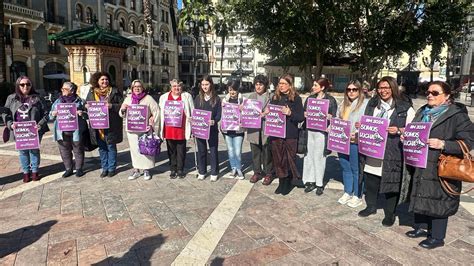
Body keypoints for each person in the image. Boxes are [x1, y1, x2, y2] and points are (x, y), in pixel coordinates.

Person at [403, 81, 473, 249]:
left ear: (447, 96)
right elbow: (414, 131)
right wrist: (407, 137)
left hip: (441, 165)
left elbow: (469, 141)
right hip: (421, 161)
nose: (429, 95)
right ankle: (421, 226)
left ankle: (437, 236)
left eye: (435, 93)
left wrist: (443, 144)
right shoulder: (422, 112)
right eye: (428, 92)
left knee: (439, 198)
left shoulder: (457, 115)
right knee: (421, 192)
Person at [358, 76, 415, 226]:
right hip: (372, 151)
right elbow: (368, 122)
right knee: (371, 180)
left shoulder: (405, 108)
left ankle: (390, 214)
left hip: (392, 152)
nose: (383, 91)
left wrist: (399, 130)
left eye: (387, 87)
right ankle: (371, 206)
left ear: (393, 88)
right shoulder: (372, 105)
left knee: (392, 184)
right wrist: (361, 126)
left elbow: (413, 130)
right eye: (381, 88)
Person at [3, 76, 49, 182]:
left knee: (34, 151)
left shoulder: (37, 97)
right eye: (22, 84)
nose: (25, 87)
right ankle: (26, 173)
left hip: (34, 129)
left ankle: (35, 172)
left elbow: (46, 113)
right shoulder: (11, 98)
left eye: (28, 84)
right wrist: (10, 124)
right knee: (23, 152)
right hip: (19, 130)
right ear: (18, 85)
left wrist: (40, 124)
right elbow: (5, 113)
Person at [266, 74, 304, 195]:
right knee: (278, 160)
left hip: (290, 134)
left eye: (284, 84)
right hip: (276, 134)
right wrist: (268, 112)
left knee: (288, 160)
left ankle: (288, 182)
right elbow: (271, 113)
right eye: (280, 83)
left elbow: (300, 117)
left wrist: (290, 113)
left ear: (290, 85)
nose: (281, 86)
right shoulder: (275, 97)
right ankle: (281, 182)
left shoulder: (296, 98)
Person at [335, 80, 369, 207]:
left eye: (354, 89)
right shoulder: (343, 103)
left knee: (356, 168)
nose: (351, 92)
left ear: (360, 91)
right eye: (349, 89)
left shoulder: (365, 104)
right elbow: (338, 118)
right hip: (342, 140)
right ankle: (348, 191)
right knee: (345, 167)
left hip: (356, 141)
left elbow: (370, 122)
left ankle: (357, 194)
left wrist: (360, 130)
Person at [302, 78, 337, 195]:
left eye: (316, 85)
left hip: (322, 132)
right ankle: (310, 181)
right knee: (309, 156)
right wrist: (305, 114)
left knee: (319, 157)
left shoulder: (330, 100)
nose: (313, 87)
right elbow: (304, 112)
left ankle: (319, 183)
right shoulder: (310, 99)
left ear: (322, 87)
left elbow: (335, 117)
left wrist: (330, 118)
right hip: (310, 131)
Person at [85, 72, 123, 178]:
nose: (104, 81)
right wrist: (86, 106)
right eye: (102, 79)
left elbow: (122, 105)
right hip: (97, 125)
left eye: (106, 79)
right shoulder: (92, 92)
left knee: (111, 146)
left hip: (111, 124)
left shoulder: (114, 91)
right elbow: (87, 104)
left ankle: (111, 168)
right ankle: (104, 168)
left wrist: (112, 106)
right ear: (97, 81)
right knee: (102, 148)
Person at [120, 79, 160, 180]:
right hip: (132, 130)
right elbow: (121, 114)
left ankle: (146, 170)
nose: (137, 88)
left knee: (146, 149)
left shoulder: (148, 98)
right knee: (134, 150)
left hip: (145, 129)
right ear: (132, 88)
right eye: (135, 87)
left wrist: (152, 120)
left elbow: (157, 111)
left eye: (139, 86)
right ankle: (136, 170)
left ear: (142, 87)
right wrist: (123, 109)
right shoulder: (128, 99)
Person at [49, 82, 87, 178]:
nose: (62, 91)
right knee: (64, 150)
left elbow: (88, 114)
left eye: (64, 89)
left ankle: (79, 169)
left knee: (78, 149)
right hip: (61, 131)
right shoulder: (58, 101)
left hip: (76, 130)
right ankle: (68, 169)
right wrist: (53, 114)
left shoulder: (80, 101)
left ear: (72, 91)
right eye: (62, 89)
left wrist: (82, 113)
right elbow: (50, 116)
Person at [159, 79, 194, 179]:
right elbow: (160, 111)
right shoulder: (164, 97)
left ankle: (180, 169)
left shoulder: (187, 96)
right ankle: (172, 168)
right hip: (169, 128)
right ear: (171, 87)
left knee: (181, 150)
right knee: (171, 150)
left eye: (178, 86)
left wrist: (192, 120)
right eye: (174, 86)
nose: (176, 88)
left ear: (181, 87)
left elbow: (192, 109)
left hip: (181, 129)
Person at [194, 75, 221, 182]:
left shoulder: (217, 98)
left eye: (207, 84)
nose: (205, 87)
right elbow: (195, 112)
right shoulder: (197, 98)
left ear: (211, 84)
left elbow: (219, 114)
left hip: (212, 129)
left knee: (213, 150)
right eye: (203, 84)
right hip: (200, 129)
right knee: (202, 151)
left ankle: (214, 172)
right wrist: (193, 122)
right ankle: (202, 171)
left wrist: (214, 121)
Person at [247, 75, 273, 185]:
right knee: (255, 152)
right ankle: (257, 172)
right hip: (253, 129)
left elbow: (275, 113)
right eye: (256, 84)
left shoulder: (271, 97)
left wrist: (267, 114)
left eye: (260, 84)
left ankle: (268, 173)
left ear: (265, 85)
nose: (258, 87)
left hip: (265, 128)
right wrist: (242, 110)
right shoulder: (251, 96)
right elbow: (246, 112)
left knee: (267, 152)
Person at [221, 80, 245, 179]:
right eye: (230, 90)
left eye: (234, 90)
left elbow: (248, 116)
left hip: (238, 130)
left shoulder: (243, 100)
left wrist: (243, 110)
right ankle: (233, 168)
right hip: (227, 130)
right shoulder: (224, 100)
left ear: (238, 90)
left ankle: (239, 169)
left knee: (237, 151)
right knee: (230, 151)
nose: (232, 92)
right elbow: (222, 115)